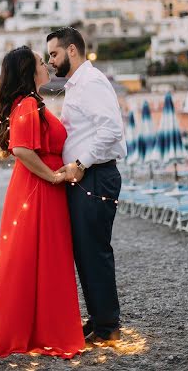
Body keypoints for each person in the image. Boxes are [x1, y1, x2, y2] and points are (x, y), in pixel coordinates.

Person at [0, 46, 85, 359]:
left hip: (37, 187)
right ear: (30, 71)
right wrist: (54, 177)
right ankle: (43, 331)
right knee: (40, 257)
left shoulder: (30, 103)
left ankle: (40, 328)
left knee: (38, 258)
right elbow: (23, 150)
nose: (47, 65)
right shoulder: (27, 103)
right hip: (39, 189)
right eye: (42, 62)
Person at [47, 27, 125, 345]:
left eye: (54, 53)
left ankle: (107, 325)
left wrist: (80, 164)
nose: (51, 61)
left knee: (94, 251)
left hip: (95, 175)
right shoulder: (77, 85)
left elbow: (111, 130)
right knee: (85, 251)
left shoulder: (90, 82)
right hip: (87, 176)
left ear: (72, 51)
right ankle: (99, 318)